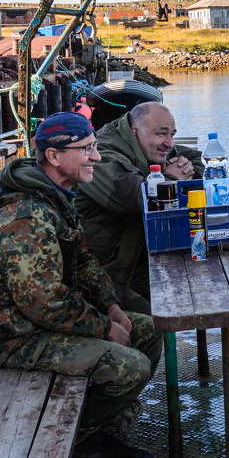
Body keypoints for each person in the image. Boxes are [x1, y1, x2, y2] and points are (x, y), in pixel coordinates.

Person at [0, 111, 163, 458]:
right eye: (86, 150)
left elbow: (84, 261)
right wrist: (105, 329)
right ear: (54, 157)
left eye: (96, 147)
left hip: (42, 322)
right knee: (129, 367)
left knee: (148, 330)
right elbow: (45, 303)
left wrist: (112, 306)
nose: (97, 158)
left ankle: (106, 432)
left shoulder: (55, 195)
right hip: (16, 337)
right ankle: (68, 441)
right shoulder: (23, 215)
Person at [75, 101, 202, 313]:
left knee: (193, 291)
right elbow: (133, 198)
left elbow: (193, 158)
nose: (169, 143)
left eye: (172, 134)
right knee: (156, 320)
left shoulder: (145, 144)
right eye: (162, 134)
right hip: (101, 270)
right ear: (135, 132)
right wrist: (171, 178)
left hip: (133, 258)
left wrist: (188, 169)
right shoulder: (103, 152)